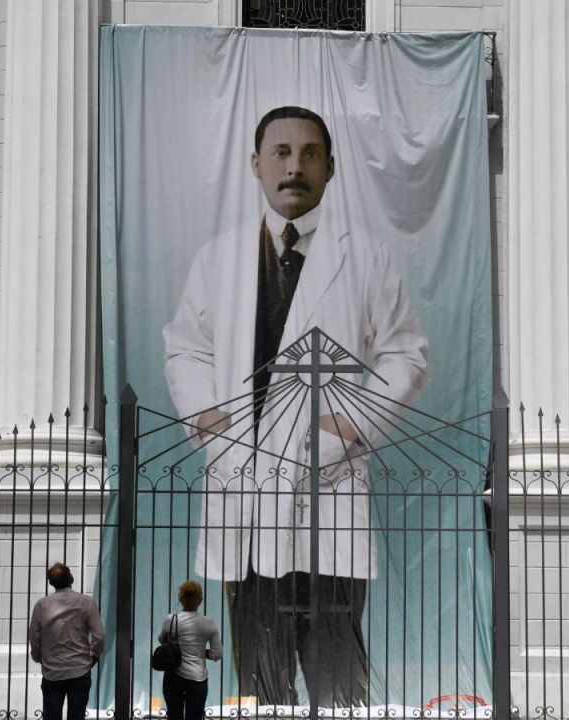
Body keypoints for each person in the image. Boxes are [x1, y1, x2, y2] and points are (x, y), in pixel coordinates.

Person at [164, 106, 429, 708]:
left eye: (311, 153)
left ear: (331, 169)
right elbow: (185, 347)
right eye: (280, 153)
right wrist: (206, 414)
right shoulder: (219, 258)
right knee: (258, 672)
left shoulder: (364, 256)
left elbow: (405, 354)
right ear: (256, 165)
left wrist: (357, 421)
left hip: (327, 484)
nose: (295, 166)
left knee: (335, 666)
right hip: (242, 480)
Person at [28, 563, 105, 720]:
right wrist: (94, 656)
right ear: (71, 578)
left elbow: (34, 638)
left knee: (51, 715)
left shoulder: (42, 605)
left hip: (52, 671)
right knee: (77, 716)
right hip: (79, 669)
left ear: (51, 583)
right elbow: (99, 635)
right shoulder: (86, 602)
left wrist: (39, 658)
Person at [159, 580, 223, 720]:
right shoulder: (209, 623)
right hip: (198, 678)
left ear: (181, 599)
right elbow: (218, 653)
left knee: (174, 716)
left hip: (174, 676)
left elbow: (162, 640)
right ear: (200, 600)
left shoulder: (171, 620)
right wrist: (201, 653)